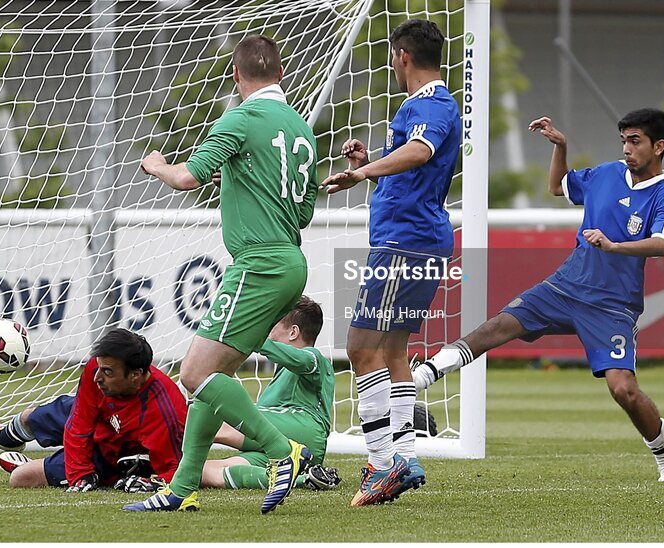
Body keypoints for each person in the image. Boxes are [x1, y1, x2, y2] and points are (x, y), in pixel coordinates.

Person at [413, 109, 664, 482]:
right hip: (566, 285)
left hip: (612, 304)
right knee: (500, 325)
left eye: (635, 141)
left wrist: (613, 245)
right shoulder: (606, 173)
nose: (626, 148)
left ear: (659, 146)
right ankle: (425, 374)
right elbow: (558, 186)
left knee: (623, 389)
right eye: (624, 140)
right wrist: (560, 147)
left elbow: (661, 244)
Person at [125, 34, 319, 513]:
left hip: (259, 262)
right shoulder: (299, 127)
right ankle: (182, 486)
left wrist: (158, 166)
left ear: (236, 76)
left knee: (194, 373)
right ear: (281, 74)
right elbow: (306, 210)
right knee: (216, 379)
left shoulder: (241, 117)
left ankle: (282, 451)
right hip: (290, 261)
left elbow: (190, 177)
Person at [320, 19, 461, 506]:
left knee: (360, 348)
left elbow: (419, 153)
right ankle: (404, 455)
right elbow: (408, 172)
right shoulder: (426, 107)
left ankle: (381, 464)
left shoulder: (432, 104)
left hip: (406, 243)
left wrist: (360, 170)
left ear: (402, 56)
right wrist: (373, 162)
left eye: (392, 58)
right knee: (395, 351)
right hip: (415, 238)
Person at [0, 328, 187, 492]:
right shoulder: (97, 371)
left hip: (111, 452)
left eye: (107, 372)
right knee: (30, 417)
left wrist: (141, 481)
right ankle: (4, 436)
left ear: (135, 374)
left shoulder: (165, 410)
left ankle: (28, 465)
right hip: (95, 415)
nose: (97, 377)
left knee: (21, 478)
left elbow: (171, 470)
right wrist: (78, 473)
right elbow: (79, 424)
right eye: (98, 368)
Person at [198, 296, 341, 492]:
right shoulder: (281, 374)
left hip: (303, 430)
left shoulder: (314, 357)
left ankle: (163, 444)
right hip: (281, 448)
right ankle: (308, 479)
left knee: (209, 419)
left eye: (272, 324)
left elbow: (302, 360)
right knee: (201, 471)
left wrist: (251, 337)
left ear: (293, 332)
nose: (267, 331)